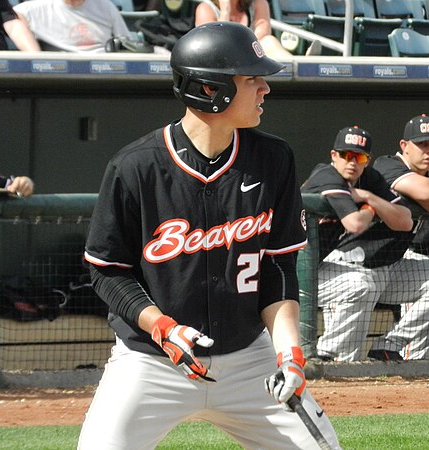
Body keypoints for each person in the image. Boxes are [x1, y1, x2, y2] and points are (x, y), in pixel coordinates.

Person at [77, 22, 340, 449]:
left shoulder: (273, 159)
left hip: (249, 360)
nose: (265, 89)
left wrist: (289, 354)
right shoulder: (136, 167)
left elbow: (279, 268)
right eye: (251, 78)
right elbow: (108, 273)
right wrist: (162, 327)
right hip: (153, 361)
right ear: (209, 89)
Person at [300, 125, 414, 362]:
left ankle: (325, 355)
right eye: (346, 155)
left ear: (367, 160)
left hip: (313, 266)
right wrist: (374, 208)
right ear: (334, 156)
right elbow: (354, 224)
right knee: (359, 284)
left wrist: (369, 199)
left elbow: (405, 221)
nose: (352, 162)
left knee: (362, 284)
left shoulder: (369, 179)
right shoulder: (327, 176)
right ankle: (318, 355)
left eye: (359, 156)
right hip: (286, 270)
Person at [370, 115, 429, 361]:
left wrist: (426, 195)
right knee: (341, 353)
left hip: (393, 266)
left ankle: (388, 345)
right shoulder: (387, 164)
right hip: (356, 266)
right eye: (422, 144)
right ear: (404, 146)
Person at [195, 0, 314, 58]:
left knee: (269, 41)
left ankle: (295, 64)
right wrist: (225, 11)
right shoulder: (205, 8)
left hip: (252, 57)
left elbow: (262, 35)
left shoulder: (258, 3)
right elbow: (213, 46)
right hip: (223, 61)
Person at [14, 0, 131, 52]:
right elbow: (11, 15)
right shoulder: (38, 8)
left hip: (103, 69)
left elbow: (126, 43)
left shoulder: (106, 7)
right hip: (63, 72)